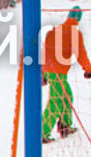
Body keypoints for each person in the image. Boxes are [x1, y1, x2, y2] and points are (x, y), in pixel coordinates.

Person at [42, 6, 91, 143]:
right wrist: (89, 69)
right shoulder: (75, 34)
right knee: (56, 101)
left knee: (67, 96)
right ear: (79, 19)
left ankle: (65, 125)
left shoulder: (54, 30)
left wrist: (43, 72)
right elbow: (81, 55)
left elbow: (45, 51)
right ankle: (42, 132)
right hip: (57, 73)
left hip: (51, 71)